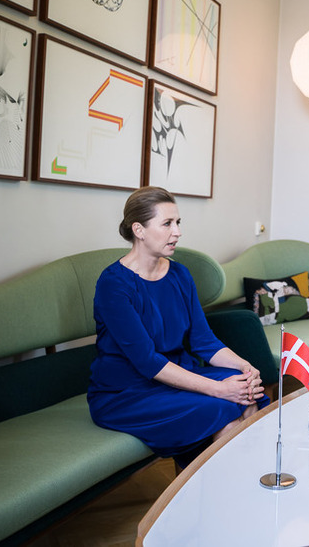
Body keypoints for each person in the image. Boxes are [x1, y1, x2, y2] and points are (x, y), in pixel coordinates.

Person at [88, 186, 267, 470]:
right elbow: (147, 362)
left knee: (247, 388)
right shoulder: (113, 285)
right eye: (167, 224)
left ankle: (242, 483)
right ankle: (218, 495)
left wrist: (245, 367)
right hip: (128, 393)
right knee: (223, 405)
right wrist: (218, 389)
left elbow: (203, 340)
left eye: (178, 223)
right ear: (139, 230)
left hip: (179, 375)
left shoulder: (180, 274)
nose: (177, 232)